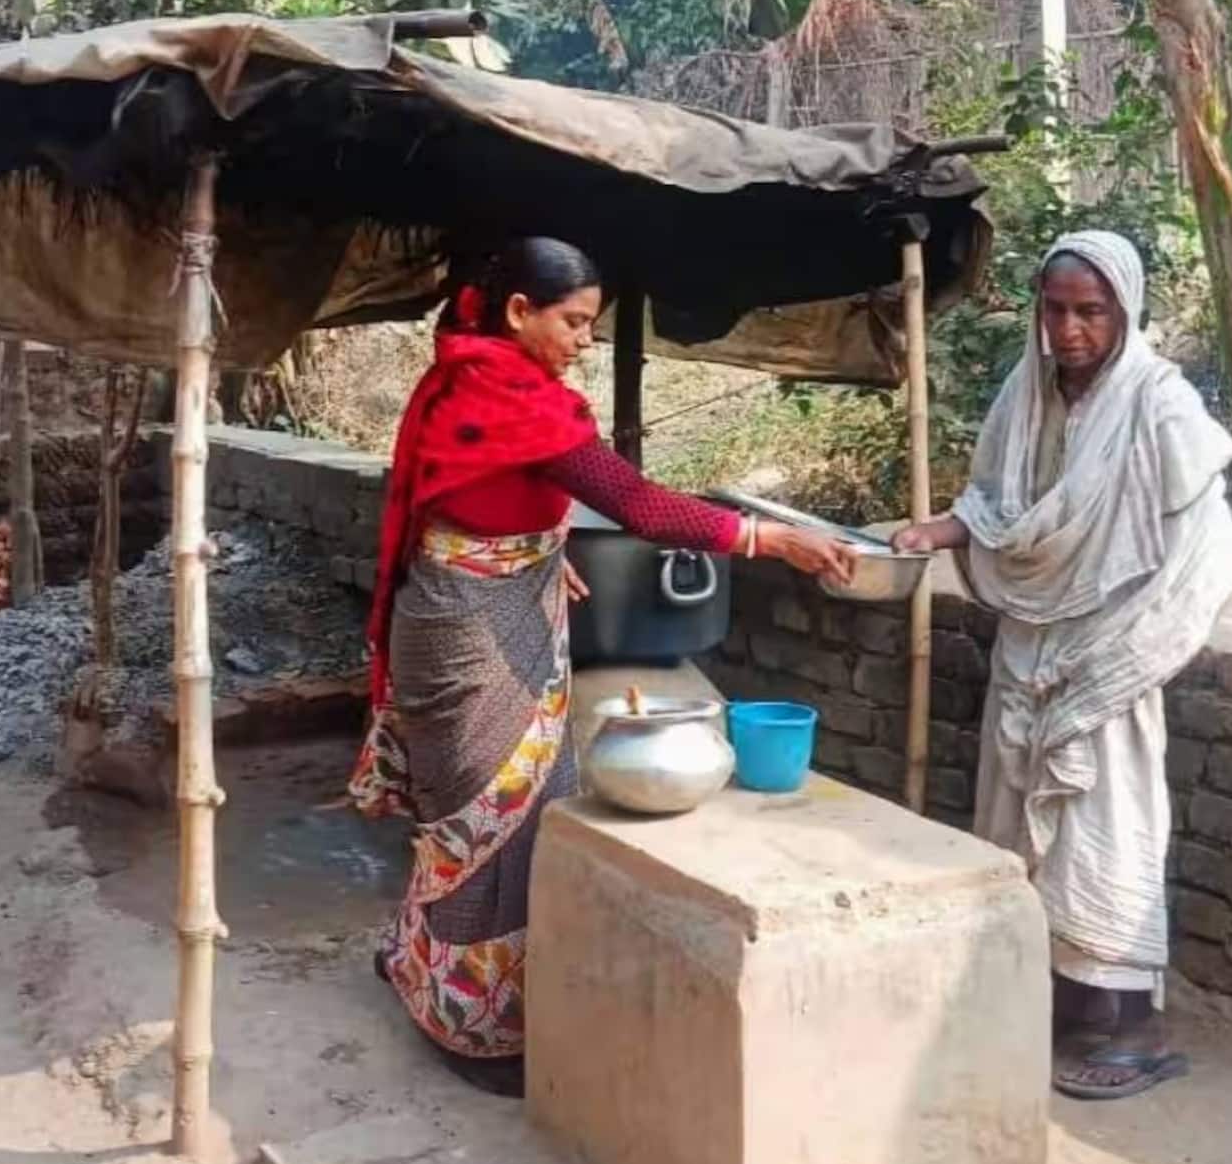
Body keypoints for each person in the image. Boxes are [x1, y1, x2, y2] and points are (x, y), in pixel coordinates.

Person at [349, 236, 857, 1098]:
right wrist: (768, 538)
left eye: (591, 325)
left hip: (475, 602)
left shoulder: (462, 371)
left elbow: (461, 494)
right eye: (574, 322)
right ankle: (468, 1023)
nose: (584, 341)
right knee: (491, 823)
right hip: (468, 630)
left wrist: (538, 549)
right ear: (519, 312)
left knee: (486, 813)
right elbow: (634, 502)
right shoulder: (513, 397)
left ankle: (419, 962)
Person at [893, 230, 1232, 1102]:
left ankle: (1130, 1028)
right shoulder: (1027, 392)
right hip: (1030, 644)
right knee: (1016, 823)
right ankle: (1047, 991)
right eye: (1056, 309)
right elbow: (1000, 504)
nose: (1071, 329)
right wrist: (939, 530)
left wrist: (1135, 646)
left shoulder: (1160, 404)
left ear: (1124, 311)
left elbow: (1205, 543)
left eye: (1090, 311)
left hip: (1107, 654)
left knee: (1103, 830)